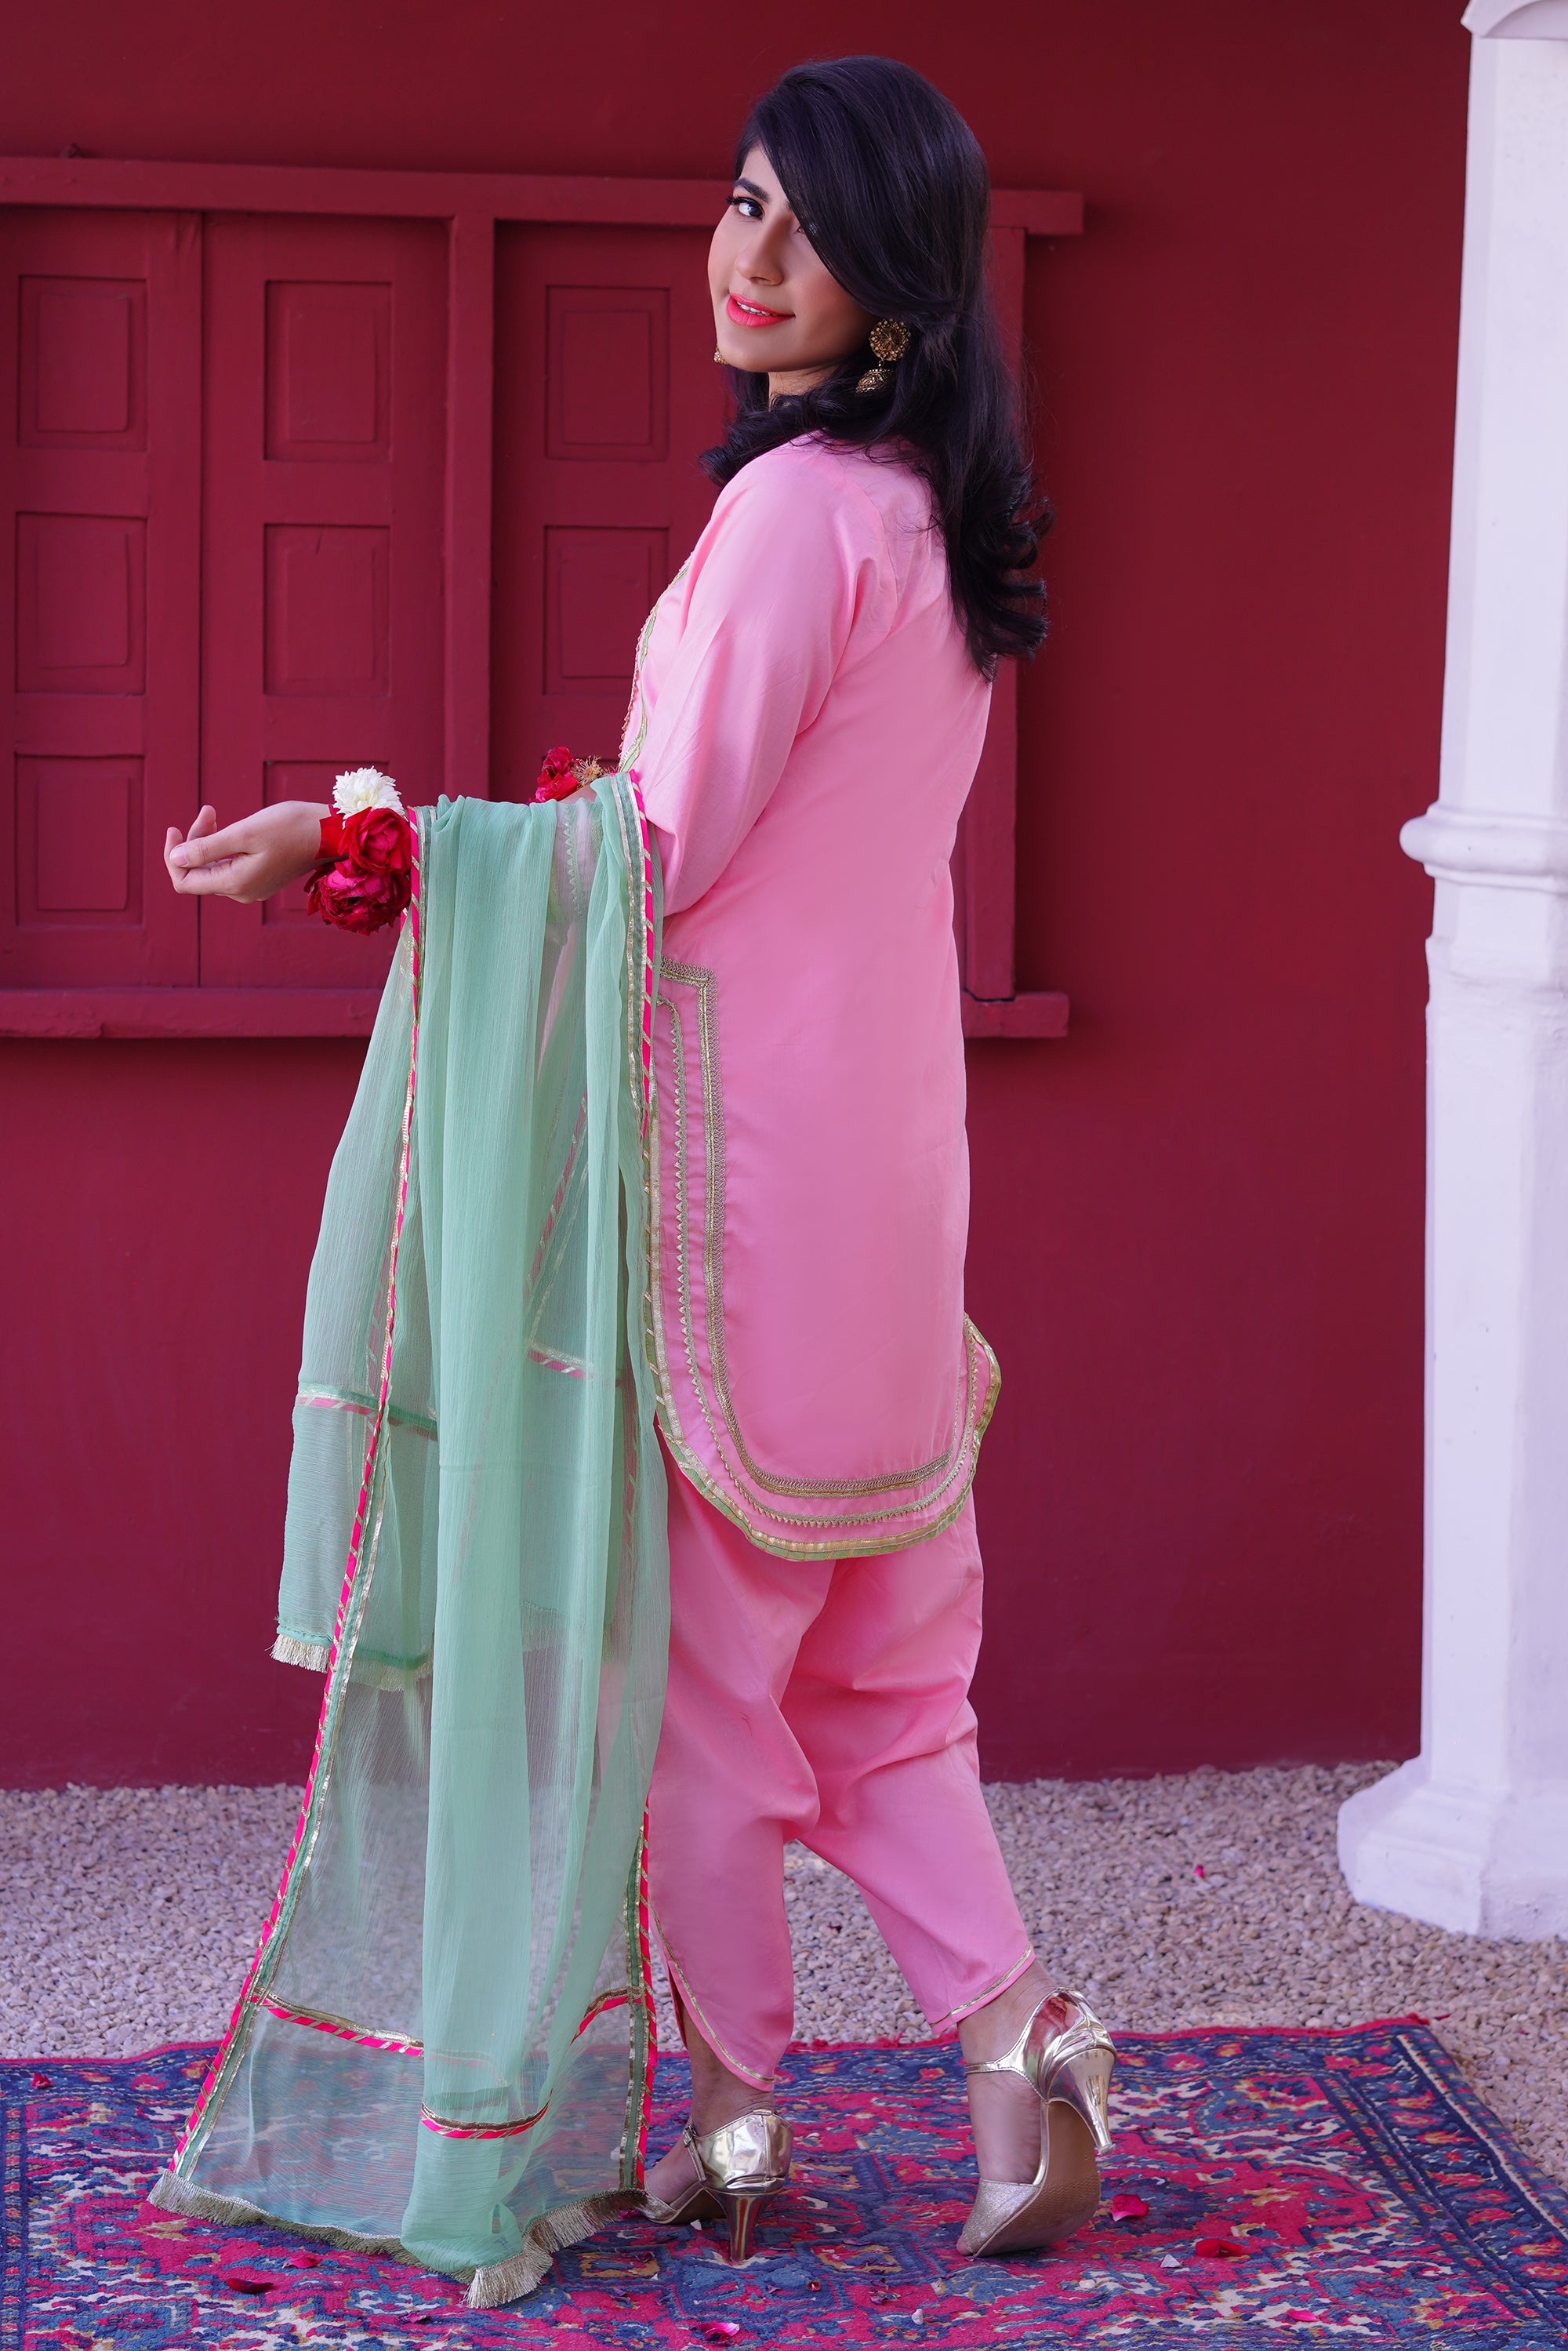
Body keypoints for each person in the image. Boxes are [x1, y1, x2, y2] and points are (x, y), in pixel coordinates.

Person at [163, 55, 1114, 2275]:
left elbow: (648, 860)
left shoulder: (798, 520)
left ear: (894, 281)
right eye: (735, 205)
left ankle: (747, 2129)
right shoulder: (926, 534)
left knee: (691, 1692)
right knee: (885, 1684)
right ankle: (1027, 2047)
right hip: (889, 1186)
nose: (741, 255)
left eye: (795, 226)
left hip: (746, 1202)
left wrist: (368, 845)